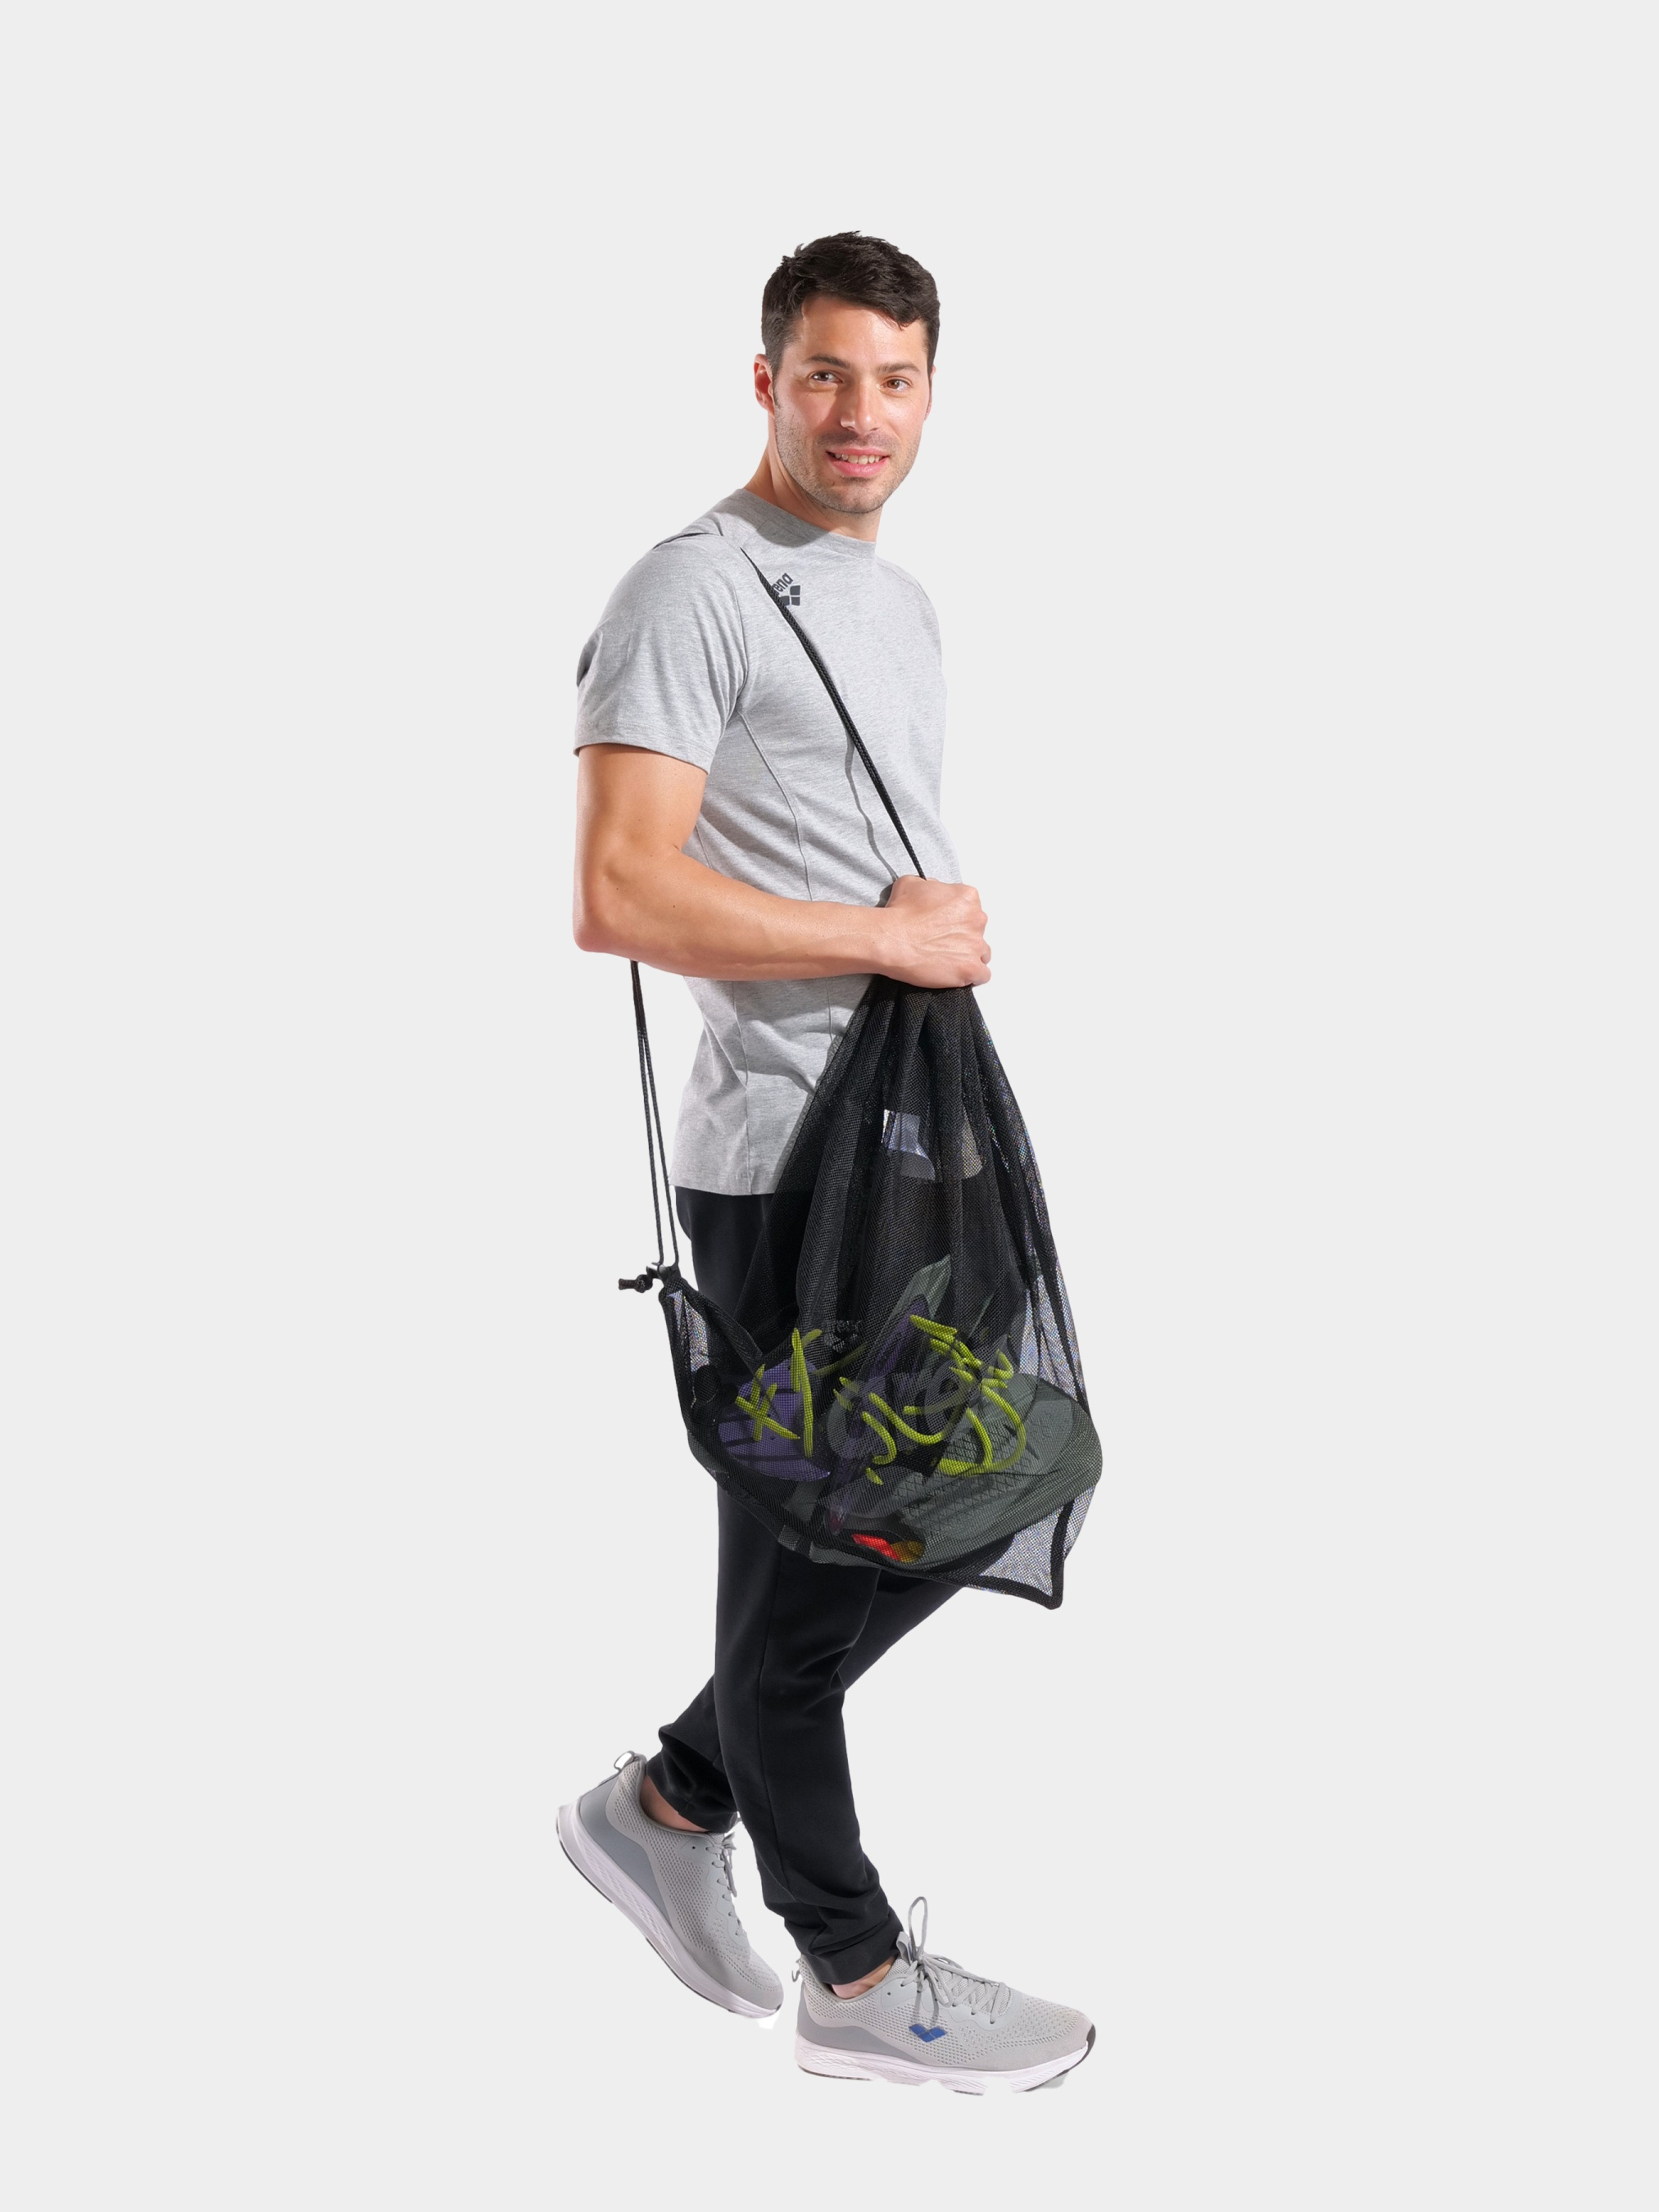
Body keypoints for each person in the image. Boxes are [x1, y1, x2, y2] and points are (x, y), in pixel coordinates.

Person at [560, 233, 1093, 2092]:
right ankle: (853, 1976)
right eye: (825, 377)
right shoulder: (688, 590)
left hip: (909, 1135)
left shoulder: (896, 600)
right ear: (765, 382)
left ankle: (668, 1800)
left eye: (894, 381)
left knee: (993, 1476)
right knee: (816, 1567)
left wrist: (910, 952)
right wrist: (886, 939)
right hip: (784, 1167)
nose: (860, 414)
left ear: (930, 393)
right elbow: (617, 893)